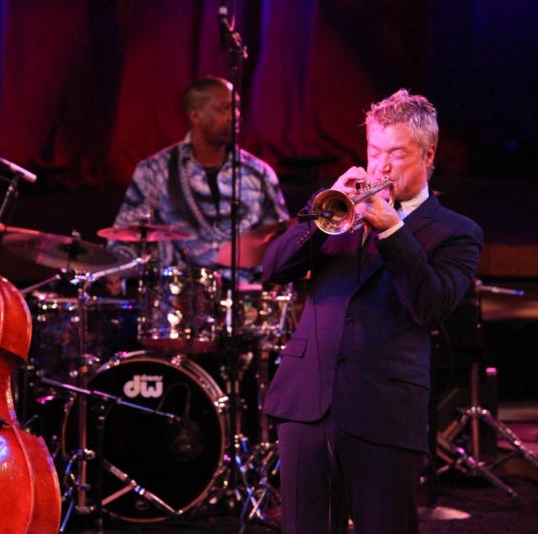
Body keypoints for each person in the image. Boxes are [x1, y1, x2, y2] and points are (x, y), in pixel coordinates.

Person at [261, 89, 483, 533]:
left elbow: (430, 306)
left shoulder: (457, 232)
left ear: (427, 154)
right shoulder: (335, 215)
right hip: (307, 404)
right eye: (374, 151)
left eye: (396, 154)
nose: (381, 166)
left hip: (384, 410)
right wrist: (318, 211)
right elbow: (273, 268)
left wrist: (392, 230)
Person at [109, 76, 288, 281]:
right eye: (224, 108)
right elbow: (124, 237)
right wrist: (115, 272)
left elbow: (280, 240)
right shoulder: (154, 170)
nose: (235, 116)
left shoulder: (259, 174)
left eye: (236, 107)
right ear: (195, 115)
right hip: (178, 298)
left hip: (243, 300)